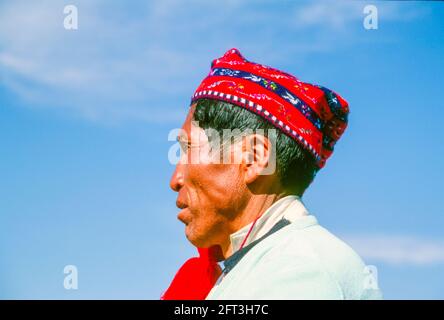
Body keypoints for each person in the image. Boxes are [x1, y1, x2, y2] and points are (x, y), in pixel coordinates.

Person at [162, 48, 382, 300]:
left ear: (254, 158)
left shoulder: (298, 270)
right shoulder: (272, 263)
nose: (175, 180)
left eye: (188, 148)